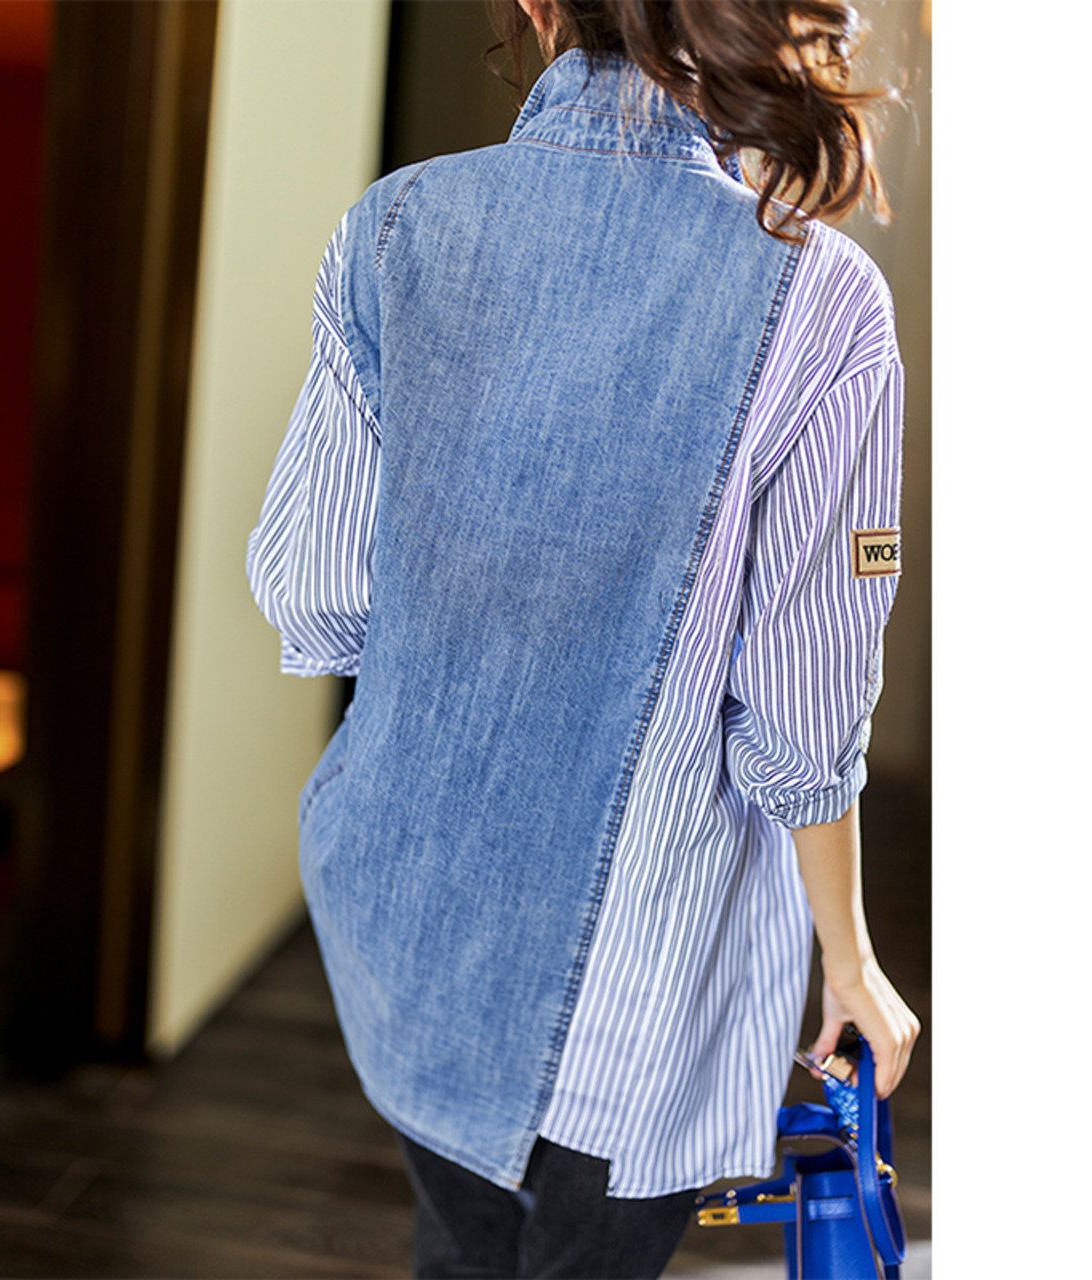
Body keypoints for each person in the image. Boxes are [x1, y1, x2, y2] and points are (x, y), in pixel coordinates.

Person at [246, 1, 921, 1275]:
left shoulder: (393, 225)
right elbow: (802, 709)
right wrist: (849, 956)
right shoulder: (820, 296)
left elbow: (314, 590)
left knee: (457, 1245)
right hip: (640, 964)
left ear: (537, 6)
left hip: (409, 910)